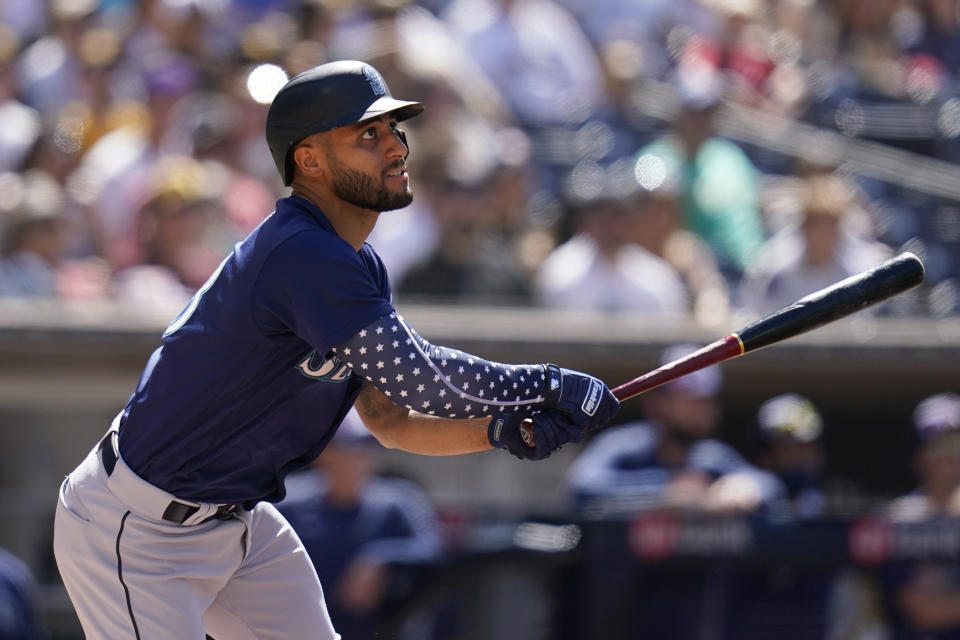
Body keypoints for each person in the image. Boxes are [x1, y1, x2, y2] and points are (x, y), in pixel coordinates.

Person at [52, 60, 620, 640]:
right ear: (310, 160)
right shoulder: (302, 250)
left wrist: (497, 432)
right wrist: (545, 386)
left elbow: (391, 420)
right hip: (137, 526)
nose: (395, 146)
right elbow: (421, 379)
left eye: (393, 130)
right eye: (367, 135)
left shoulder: (357, 262)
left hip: (238, 525)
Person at [278, 408, 450, 640]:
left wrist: (379, 558)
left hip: (378, 631)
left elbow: (435, 548)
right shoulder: (289, 503)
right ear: (324, 453)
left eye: (367, 445)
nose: (360, 455)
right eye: (348, 446)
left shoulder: (397, 501)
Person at [878, 392, 960, 639]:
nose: (951, 458)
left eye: (957, 445)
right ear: (918, 458)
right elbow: (926, 612)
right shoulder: (898, 518)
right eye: (939, 447)